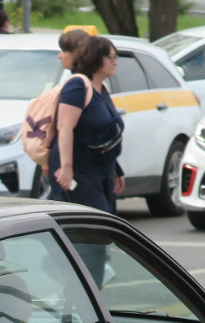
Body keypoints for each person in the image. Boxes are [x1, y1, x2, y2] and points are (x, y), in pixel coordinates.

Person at [50, 36, 125, 213]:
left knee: (104, 227)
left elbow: (106, 133)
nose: (116, 63)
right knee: (93, 228)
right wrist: (66, 168)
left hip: (102, 171)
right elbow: (64, 127)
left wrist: (115, 169)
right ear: (96, 58)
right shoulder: (78, 85)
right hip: (80, 172)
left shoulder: (102, 88)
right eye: (111, 57)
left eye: (116, 58)